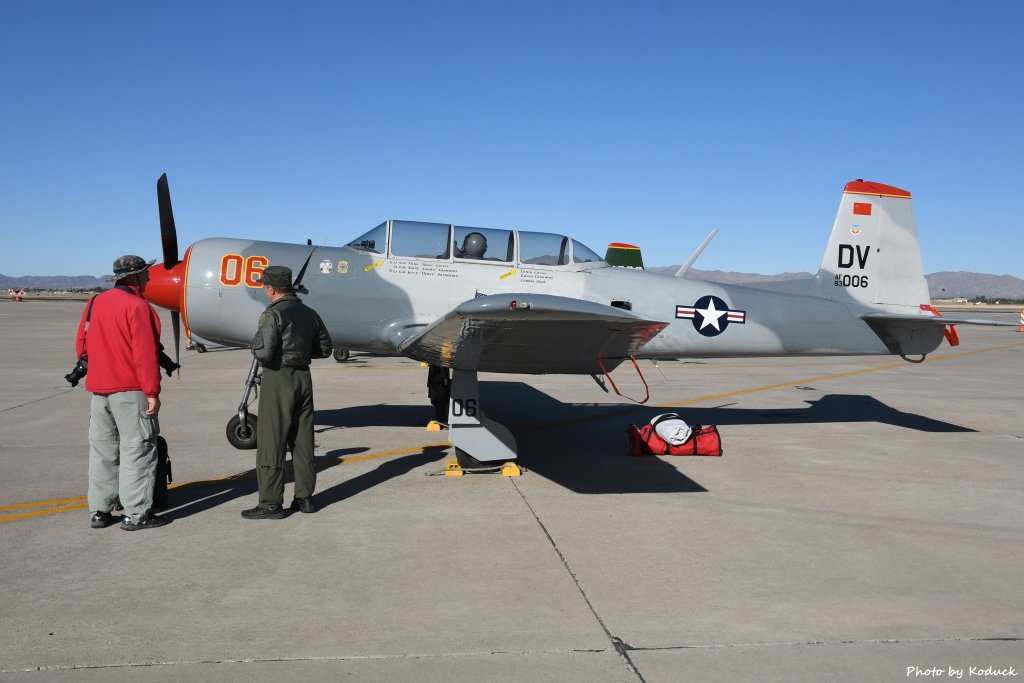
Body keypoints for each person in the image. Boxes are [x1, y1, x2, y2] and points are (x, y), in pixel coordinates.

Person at [75, 255, 168, 530]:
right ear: (135, 277)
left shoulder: (95, 303)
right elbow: (145, 354)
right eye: (146, 274)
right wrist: (152, 391)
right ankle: (136, 514)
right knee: (137, 448)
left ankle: (100, 511)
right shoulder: (138, 306)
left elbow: (81, 345)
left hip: (98, 391)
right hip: (130, 390)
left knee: (102, 450)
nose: (149, 277)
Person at [242, 265, 333, 519]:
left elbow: (264, 352)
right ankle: (305, 498)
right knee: (302, 440)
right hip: (303, 377)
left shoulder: (272, 314)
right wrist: (300, 355)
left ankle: (270, 503)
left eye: (264, 286)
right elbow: (325, 349)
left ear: (271, 288)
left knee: (271, 440)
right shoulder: (310, 313)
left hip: (278, 377)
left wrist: (255, 346)